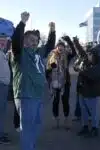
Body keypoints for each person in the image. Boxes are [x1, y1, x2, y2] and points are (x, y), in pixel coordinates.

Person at [11, 12, 56, 150]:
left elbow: (49, 46)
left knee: (36, 126)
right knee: (28, 128)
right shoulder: (19, 53)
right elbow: (15, 42)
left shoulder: (38, 52)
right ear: (24, 41)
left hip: (38, 95)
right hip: (26, 94)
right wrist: (22, 23)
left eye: (36, 39)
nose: (34, 41)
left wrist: (52, 31)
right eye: (31, 39)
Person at [73, 37, 100, 137]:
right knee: (84, 112)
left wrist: (80, 69)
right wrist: (76, 42)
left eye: (90, 54)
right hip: (83, 92)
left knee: (94, 113)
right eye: (89, 54)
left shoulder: (98, 65)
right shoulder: (87, 61)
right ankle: (85, 127)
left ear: (95, 56)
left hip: (92, 94)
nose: (88, 55)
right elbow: (81, 52)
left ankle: (95, 128)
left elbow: (91, 74)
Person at [46, 36, 76, 129]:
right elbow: (48, 69)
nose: (60, 47)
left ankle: (67, 119)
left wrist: (69, 41)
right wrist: (49, 80)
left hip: (65, 82)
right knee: (55, 101)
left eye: (62, 46)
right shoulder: (52, 55)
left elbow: (74, 52)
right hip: (54, 82)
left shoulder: (67, 55)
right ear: (56, 47)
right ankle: (56, 119)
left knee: (65, 101)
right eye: (59, 46)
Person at [0, 18, 13, 144]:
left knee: (2, 111)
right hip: (0, 85)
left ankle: (1, 132)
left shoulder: (2, 52)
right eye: (1, 40)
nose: (3, 42)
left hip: (4, 85)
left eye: (4, 40)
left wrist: (8, 41)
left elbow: (6, 47)